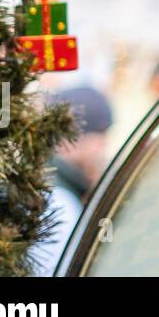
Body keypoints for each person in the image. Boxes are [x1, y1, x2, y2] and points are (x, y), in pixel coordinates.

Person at [30, 86, 114, 276]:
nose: (103, 147)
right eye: (100, 135)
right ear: (71, 138)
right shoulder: (61, 201)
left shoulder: (41, 180)